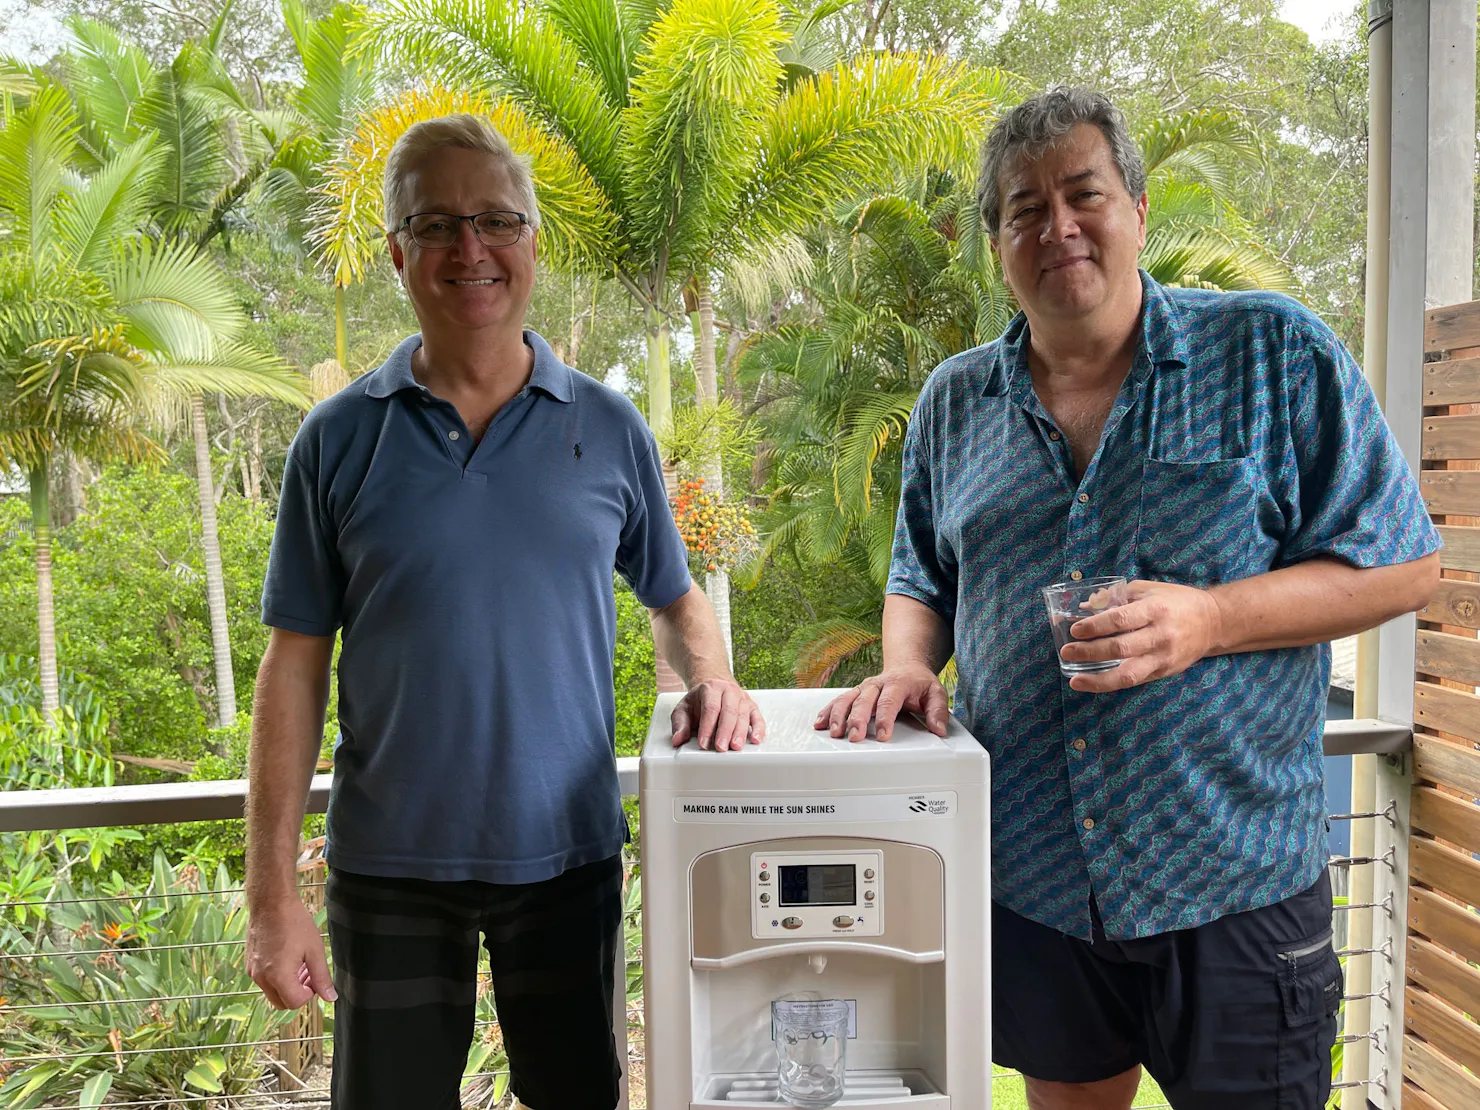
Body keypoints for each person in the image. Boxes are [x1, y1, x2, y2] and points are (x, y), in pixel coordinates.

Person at [817, 87, 1439, 1110]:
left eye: (1082, 193)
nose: (1056, 226)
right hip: (1040, 889)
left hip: (1233, 885)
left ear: (1138, 212)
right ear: (996, 245)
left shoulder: (1272, 353)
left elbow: (1405, 564)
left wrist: (1210, 617)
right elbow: (918, 575)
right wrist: (903, 666)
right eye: (1024, 208)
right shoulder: (952, 403)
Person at [244, 114, 764, 1110]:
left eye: (496, 219)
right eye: (437, 224)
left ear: (531, 242)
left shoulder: (608, 429)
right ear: (397, 252)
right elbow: (293, 666)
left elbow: (673, 596)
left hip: (566, 857)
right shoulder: (336, 439)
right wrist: (270, 896)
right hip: (387, 865)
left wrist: (715, 681)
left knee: (576, 1097)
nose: (469, 248)